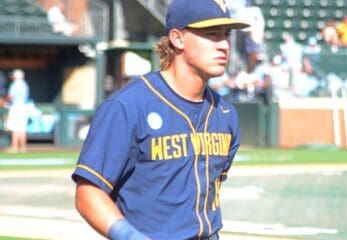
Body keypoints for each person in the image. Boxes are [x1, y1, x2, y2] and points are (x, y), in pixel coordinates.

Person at [72, 0, 248, 239]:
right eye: (211, 34)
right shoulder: (128, 106)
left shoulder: (225, 113)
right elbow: (88, 193)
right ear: (177, 38)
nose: (224, 45)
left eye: (226, 35)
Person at [5, 69, 30, 153]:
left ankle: (14, 147)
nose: (12, 77)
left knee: (15, 128)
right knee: (22, 129)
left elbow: (10, 97)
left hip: (16, 107)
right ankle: (23, 147)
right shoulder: (25, 85)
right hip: (24, 107)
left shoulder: (15, 85)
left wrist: (4, 101)